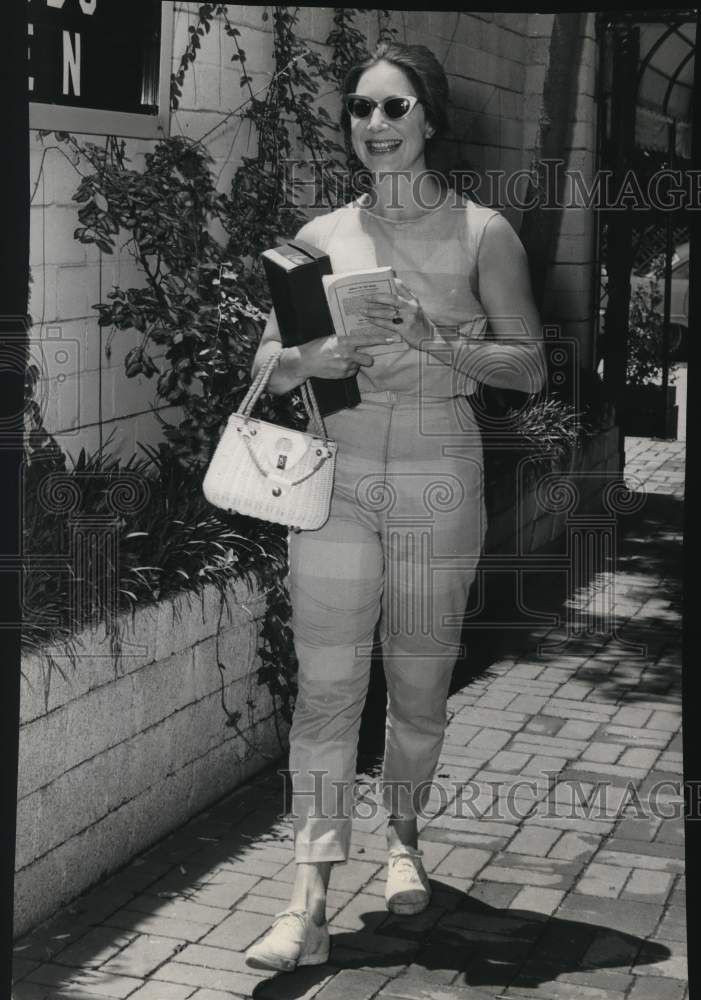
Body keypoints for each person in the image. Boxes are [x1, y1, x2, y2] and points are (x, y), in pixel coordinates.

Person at [245, 41, 546, 973]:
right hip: (337, 479)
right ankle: (309, 897)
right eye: (360, 109)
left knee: (417, 686)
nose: (374, 126)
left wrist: (436, 338)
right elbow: (265, 364)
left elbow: (528, 368)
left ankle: (404, 842)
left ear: (430, 117)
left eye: (394, 107)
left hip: (437, 476)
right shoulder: (320, 234)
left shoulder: (482, 233)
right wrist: (306, 361)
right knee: (328, 689)